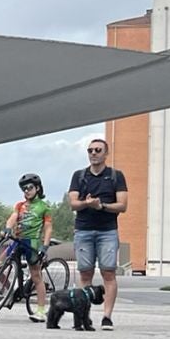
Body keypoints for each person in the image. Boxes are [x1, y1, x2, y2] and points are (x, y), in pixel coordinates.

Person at [67, 137, 128, 328]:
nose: (93, 153)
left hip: (107, 231)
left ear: (106, 153)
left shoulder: (116, 176)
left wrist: (101, 206)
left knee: (108, 273)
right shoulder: (79, 176)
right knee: (85, 274)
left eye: (97, 150)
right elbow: (73, 203)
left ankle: (107, 316)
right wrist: (87, 203)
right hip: (83, 230)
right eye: (90, 150)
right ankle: (82, 316)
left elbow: (123, 205)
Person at [3, 173, 55, 318]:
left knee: (36, 275)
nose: (26, 191)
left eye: (29, 187)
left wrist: (44, 246)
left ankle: (40, 310)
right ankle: (13, 291)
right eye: (23, 189)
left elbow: (48, 227)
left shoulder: (44, 207)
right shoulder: (20, 206)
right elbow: (13, 218)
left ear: (37, 188)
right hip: (18, 239)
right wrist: (7, 228)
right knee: (2, 266)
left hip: (33, 242)